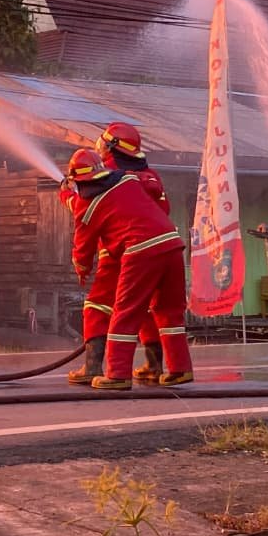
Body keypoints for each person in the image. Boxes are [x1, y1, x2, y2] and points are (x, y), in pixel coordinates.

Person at [65, 148, 192, 390]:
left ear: (76, 180)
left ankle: (117, 374)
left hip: (141, 251)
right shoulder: (128, 178)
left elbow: (82, 249)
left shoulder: (88, 206)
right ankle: (179, 369)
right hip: (172, 243)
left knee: (126, 311)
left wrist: (81, 268)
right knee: (168, 310)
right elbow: (152, 191)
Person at [95, 122, 172, 384]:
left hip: (121, 251)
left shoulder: (110, 177)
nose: (100, 146)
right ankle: (155, 364)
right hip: (158, 251)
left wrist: (68, 192)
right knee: (149, 308)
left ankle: (111, 372)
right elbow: (165, 209)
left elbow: (87, 210)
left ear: (113, 147)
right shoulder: (150, 175)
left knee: (116, 308)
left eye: (104, 141)